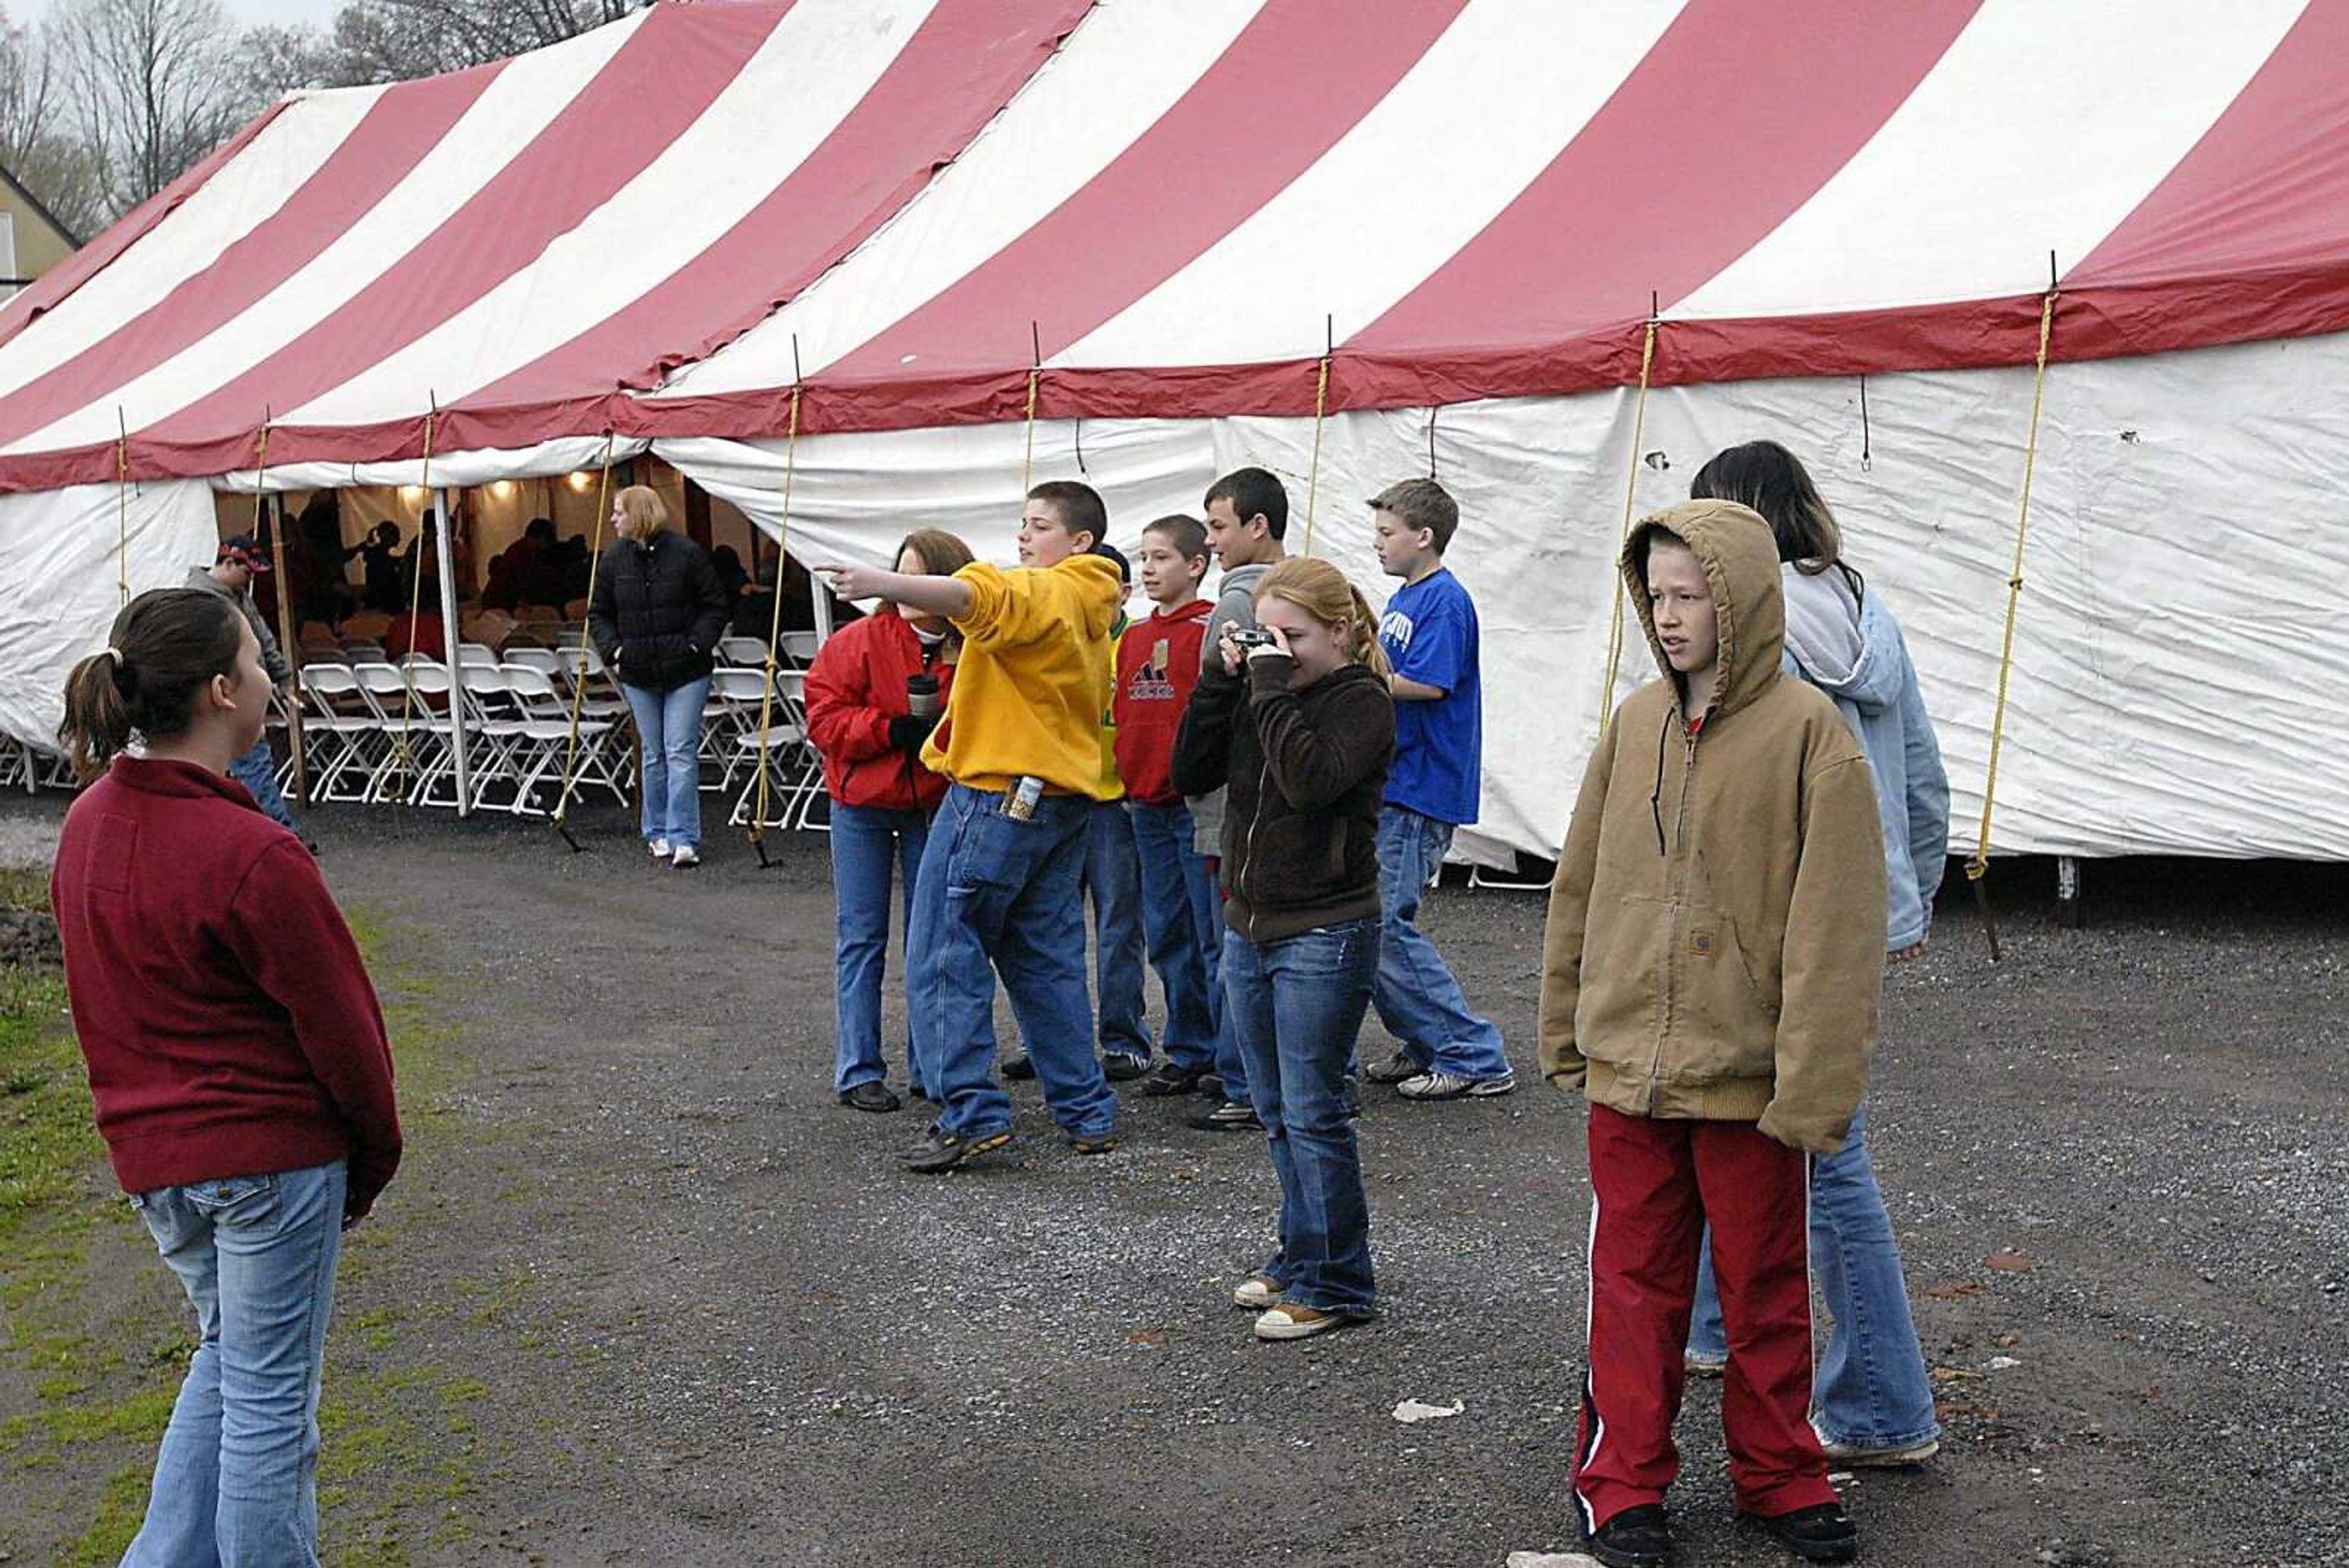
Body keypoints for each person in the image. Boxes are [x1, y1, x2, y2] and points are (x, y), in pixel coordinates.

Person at [1539, 499, 1885, 1568]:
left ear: (1742, 599)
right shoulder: (1636, 720)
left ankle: (1781, 1472)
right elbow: (1583, 882)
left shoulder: (1810, 737)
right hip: (1629, 1072)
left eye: (1694, 594)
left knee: (1764, 1286)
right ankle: (1623, 1479)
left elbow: (1838, 929)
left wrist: (1814, 1084)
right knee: (1633, 1286)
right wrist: (1567, 1019)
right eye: (1660, 594)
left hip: (1748, 1080)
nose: (1672, 613)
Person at [50, 587, 402, 1565]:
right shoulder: (252, 851)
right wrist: (371, 1158)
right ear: (218, 690)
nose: (268, 680)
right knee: (270, 1408)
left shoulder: (86, 825)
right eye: (256, 662)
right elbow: (346, 1032)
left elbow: (99, 1008)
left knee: (232, 1364)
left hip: (159, 1162)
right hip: (266, 1161)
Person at [1679, 442, 1949, 1471]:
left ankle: (1883, 1403)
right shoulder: (1869, 609)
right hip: (1857, 909)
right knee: (1717, 1106)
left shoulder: (1748, 630)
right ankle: (1710, 1327)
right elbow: (1920, 768)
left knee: (1824, 1152)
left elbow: (1723, 794)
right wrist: (1906, 900)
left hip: (1774, 916)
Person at [818, 480, 1124, 1172]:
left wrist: (880, 582)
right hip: (1058, 796)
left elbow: (975, 597)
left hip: (995, 794)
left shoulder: (1045, 593)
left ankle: (971, 1111)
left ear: (1079, 541)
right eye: (1022, 522)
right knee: (1044, 957)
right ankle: (1086, 1111)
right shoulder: (1092, 599)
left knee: (945, 950)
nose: (1023, 535)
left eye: (1038, 525)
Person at [1171, 557, 1395, 1341]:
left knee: (1314, 1110)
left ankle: (1339, 1281)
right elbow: (1187, 773)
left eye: (1293, 636)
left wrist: (1265, 686)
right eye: (1269, 635)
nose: (1281, 650)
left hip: (1326, 928)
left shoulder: (1362, 700)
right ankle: (1304, 1253)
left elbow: (1310, 782)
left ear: (1339, 631)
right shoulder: (1262, 694)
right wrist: (1220, 684)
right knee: (1274, 1111)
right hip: (1250, 921)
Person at [802, 527, 971, 1114]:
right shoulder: (858, 642)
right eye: (898, 573)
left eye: (916, 575)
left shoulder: (973, 646)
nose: (902, 587)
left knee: (931, 940)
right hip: (861, 804)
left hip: (931, 802)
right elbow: (823, 719)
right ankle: (858, 1068)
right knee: (862, 935)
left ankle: (932, 1064)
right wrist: (888, 729)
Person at [1357, 478, 1513, 1100]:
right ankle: (1426, 1042)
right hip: (1402, 780)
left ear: (1424, 537)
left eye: (1387, 534)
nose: (1378, 544)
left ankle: (1470, 1053)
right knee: (1374, 923)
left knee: (1384, 924)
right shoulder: (1407, 597)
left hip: (1422, 783)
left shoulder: (1444, 601)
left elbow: (1430, 684)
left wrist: (1354, 675)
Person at [1006, 541, 1151, 1084]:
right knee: (1045, 928)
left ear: (1123, 593)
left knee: (1118, 924)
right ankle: (1045, 1039)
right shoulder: (1052, 636)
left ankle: (1123, 1038)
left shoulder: (1137, 643)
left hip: (1114, 803)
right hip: (1055, 795)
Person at [1186, 466, 1291, 1132]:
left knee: (1232, 943)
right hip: (1280, 796)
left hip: (1231, 801)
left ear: (1258, 526)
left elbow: (1215, 707)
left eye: (1220, 526)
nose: (1212, 541)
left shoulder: (1237, 602)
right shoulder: (1313, 589)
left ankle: (1242, 1079)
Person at [1115, 515, 1221, 1099]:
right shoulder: (1132, 637)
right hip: (1145, 803)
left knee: (1210, 935)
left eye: (1161, 558)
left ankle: (1222, 1051)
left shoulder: (1208, 629)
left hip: (1192, 804)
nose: (1149, 569)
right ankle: (1188, 1046)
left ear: (1195, 564)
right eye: (1145, 558)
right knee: (1166, 931)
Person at [588, 485, 730, 869]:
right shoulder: (614, 559)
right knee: (654, 754)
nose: (614, 519)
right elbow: (598, 611)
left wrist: (696, 645)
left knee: (678, 750)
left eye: (619, 512)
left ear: (639, 514)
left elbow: (715, 605)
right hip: (638, 670)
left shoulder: (686, 554)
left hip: (686, 669)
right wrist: (615, 650)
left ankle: (683, 836)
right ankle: (657, 831)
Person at [184, 534, 302, 836]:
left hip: (240, 692)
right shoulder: (201, 601)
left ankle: (257, 829)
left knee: (246, 764)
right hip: (227, 694)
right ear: (228, 563)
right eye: (247, 572)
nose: (250, 579)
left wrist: (283, 679)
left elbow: (263, 637)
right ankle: (278, 832)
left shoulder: (236, 595)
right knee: (252, 763)